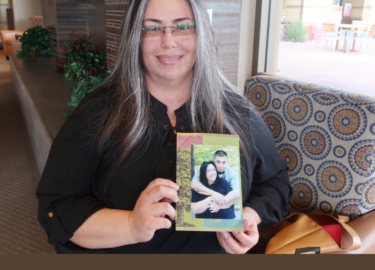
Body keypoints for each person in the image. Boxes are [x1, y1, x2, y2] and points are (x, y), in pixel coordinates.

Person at [36, 0, 291, 254]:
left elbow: (276, 184)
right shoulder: (99, 113)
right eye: (153, 28)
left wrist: (248, 217)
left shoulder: (237, 113)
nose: (169, 41)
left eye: (183, 27)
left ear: (201, 33)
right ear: (135, 38)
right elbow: (57, 208)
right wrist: (130, 226)